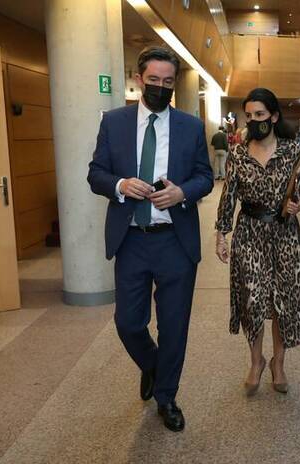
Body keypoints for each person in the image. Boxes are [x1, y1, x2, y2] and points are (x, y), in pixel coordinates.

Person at [87, 46, 214, 433]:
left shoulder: (191, 126)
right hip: (131, 239)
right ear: (139, 79)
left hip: (175, 239)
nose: (161, 86)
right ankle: (152, 365)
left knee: (174, 326)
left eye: (168, 81)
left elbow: (205, 177)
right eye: (154, 80)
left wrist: (182, 192)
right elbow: (96, 174)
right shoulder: (115, 123)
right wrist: (121, 185)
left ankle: (166, 397)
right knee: (128, 322)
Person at [215, 88, 300, 396]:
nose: (253, 120)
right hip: (249, 233)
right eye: (249, 115)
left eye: (259, 114)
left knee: (282, 301)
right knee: (252, 300)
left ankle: (279, 363)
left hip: (284, 233)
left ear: (273, 117)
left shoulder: (294, 149)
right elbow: (228, 195)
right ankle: (256, 361)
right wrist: (221, 235)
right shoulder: (238, 153)